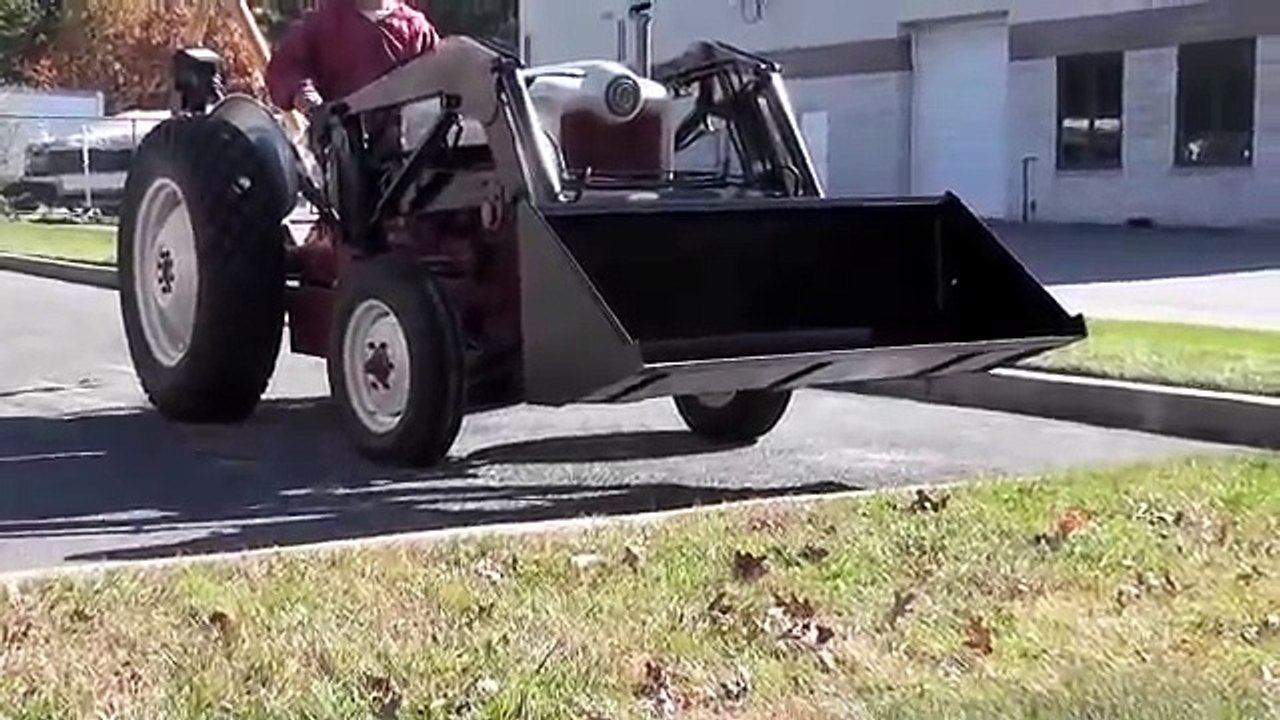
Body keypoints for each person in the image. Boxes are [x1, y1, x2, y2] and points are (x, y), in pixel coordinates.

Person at [265, 0, 441, 113]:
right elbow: (285, 68)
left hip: (410, 154)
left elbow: (443, 79)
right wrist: (303, 93)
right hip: (340, 151)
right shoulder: (324, 23)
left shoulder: (416, 30)